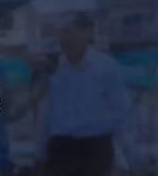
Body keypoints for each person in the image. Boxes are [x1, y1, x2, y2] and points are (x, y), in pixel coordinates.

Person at [36, 15, 128, 176]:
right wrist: (40, 154)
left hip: (97, 149)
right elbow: (45, 113)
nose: (65, 39)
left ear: (87, 33)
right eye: (61, 33)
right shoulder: (54, 69)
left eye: (69, 32)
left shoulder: (106, 67)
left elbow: (121, 112)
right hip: (62, 149)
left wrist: (126, 158)